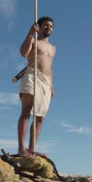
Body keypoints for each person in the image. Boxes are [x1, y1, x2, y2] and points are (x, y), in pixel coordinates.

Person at [17, 16, 56, 157]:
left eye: (51, 26)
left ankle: (32, 149)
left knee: (40, 117)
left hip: (45, 81)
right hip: (32, 76)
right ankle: (22, 149)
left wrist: (51, 85)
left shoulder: (52, 49)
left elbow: (50, 68)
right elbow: (23, 53)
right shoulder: (33, 40)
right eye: (46, 25)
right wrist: (30, 33)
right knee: (26, 112)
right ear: (39, 27)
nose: (49, 28)